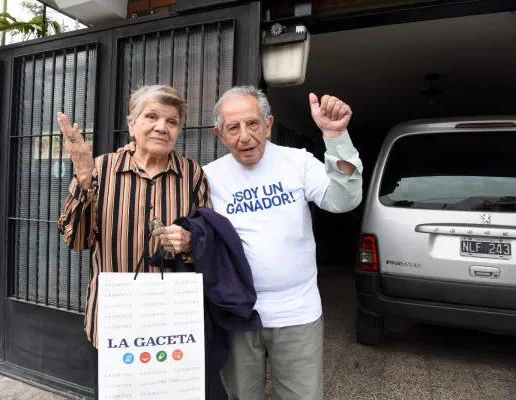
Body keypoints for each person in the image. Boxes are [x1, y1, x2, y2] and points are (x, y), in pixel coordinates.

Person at [119, 85, 363, 400]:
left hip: (297, 314)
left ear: (269, 124)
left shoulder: (298, 161)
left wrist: (336, 137)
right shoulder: (207, 177)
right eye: (233, 128)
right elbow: (192, 232)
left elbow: (344, 200)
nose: (244, 136)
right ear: (220, 135)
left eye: (252, 124)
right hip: (235, 313)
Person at [56, 84, 211, 398]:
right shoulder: (98, 168)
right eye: (151, 116)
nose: (161, 127)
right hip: (115, 317)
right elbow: (76, 240)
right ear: (132, 124)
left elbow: (209, 244)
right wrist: (84, 183)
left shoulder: (193, 175)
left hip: (172, 321)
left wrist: (190, 243)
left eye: (171, 121)